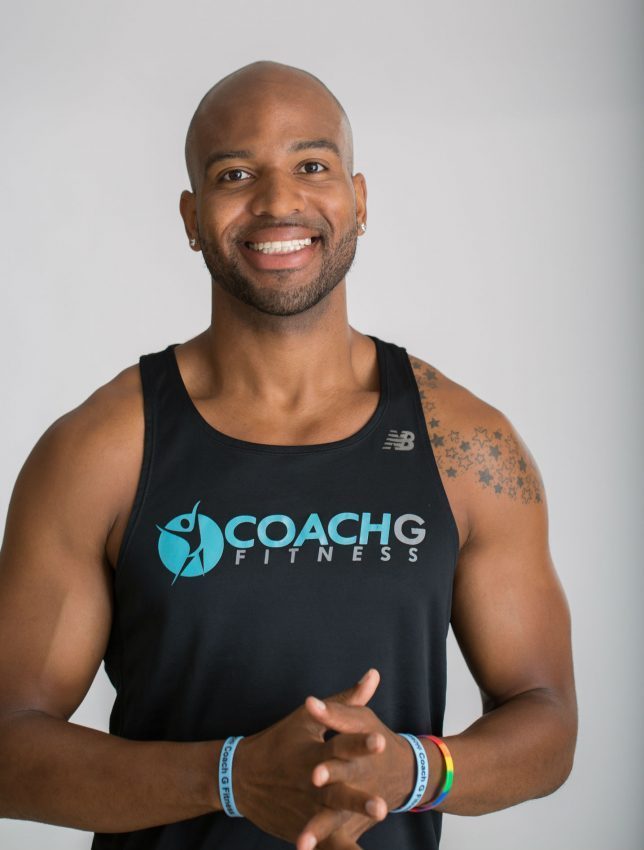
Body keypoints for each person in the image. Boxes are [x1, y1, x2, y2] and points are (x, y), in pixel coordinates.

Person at [0, 60, 577, 850]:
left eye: (312, 165)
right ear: (192, 217)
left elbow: (548, 723)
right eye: (235, 174)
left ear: (359, 200)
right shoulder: (100, 451)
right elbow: (7, 746)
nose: (278, 201)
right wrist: (230, 778)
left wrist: (415, 771)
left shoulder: (466, 447)